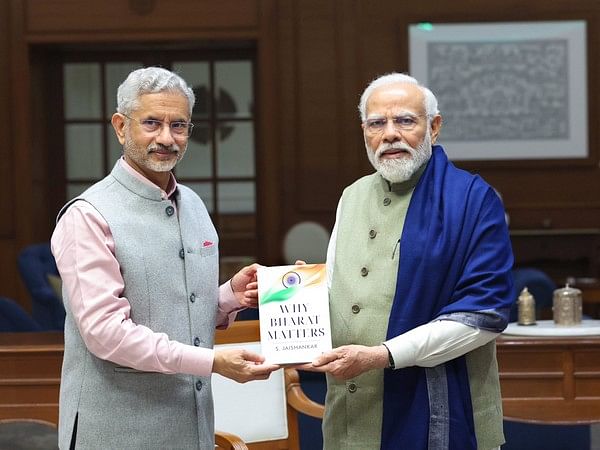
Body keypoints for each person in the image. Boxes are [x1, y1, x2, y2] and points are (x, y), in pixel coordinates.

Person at [50, 67, 278, 450]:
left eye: (179, 126)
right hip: (116, 433)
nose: (166, 138)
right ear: (121, 127)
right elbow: (106, 333)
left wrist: (230, 297)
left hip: (193, 428)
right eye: (152, 123)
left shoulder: (193, 205)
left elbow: (179, 306)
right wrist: (212, 361)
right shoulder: (88, 216)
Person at [307, 73, 515, 449]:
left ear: (434, 128)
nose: (389, 134)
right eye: (377, 123)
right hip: (350, 410)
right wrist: (292, 296)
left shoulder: (473, 200)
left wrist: (382, 355)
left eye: (405, 120)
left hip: (439, 410)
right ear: (365, 131)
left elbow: (485, 314)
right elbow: (338, 291)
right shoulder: (350, 197)